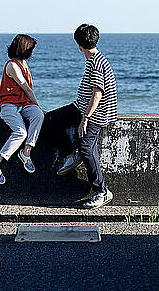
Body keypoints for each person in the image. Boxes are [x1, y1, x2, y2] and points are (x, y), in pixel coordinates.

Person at [45, 24, 117, 209]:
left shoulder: (95, 63)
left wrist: (85, 118)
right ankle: (70, 152)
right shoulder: (96, 58)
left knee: (86, 149)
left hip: (94, 115)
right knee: (51, 119)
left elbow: (97, 94)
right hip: (80, 107)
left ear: (79, 45)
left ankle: (102, 192)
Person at [0, 34, 45, 184]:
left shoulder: (23, 64)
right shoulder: (12, 65)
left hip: (23, 103)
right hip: (8, 104)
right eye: (30, 49)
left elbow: (27, 92)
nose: (32, 52)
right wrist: (37, 104)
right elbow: (26, 87)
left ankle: (26, 152)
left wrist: (37, 108)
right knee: (20, 132)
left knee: (38, 115)